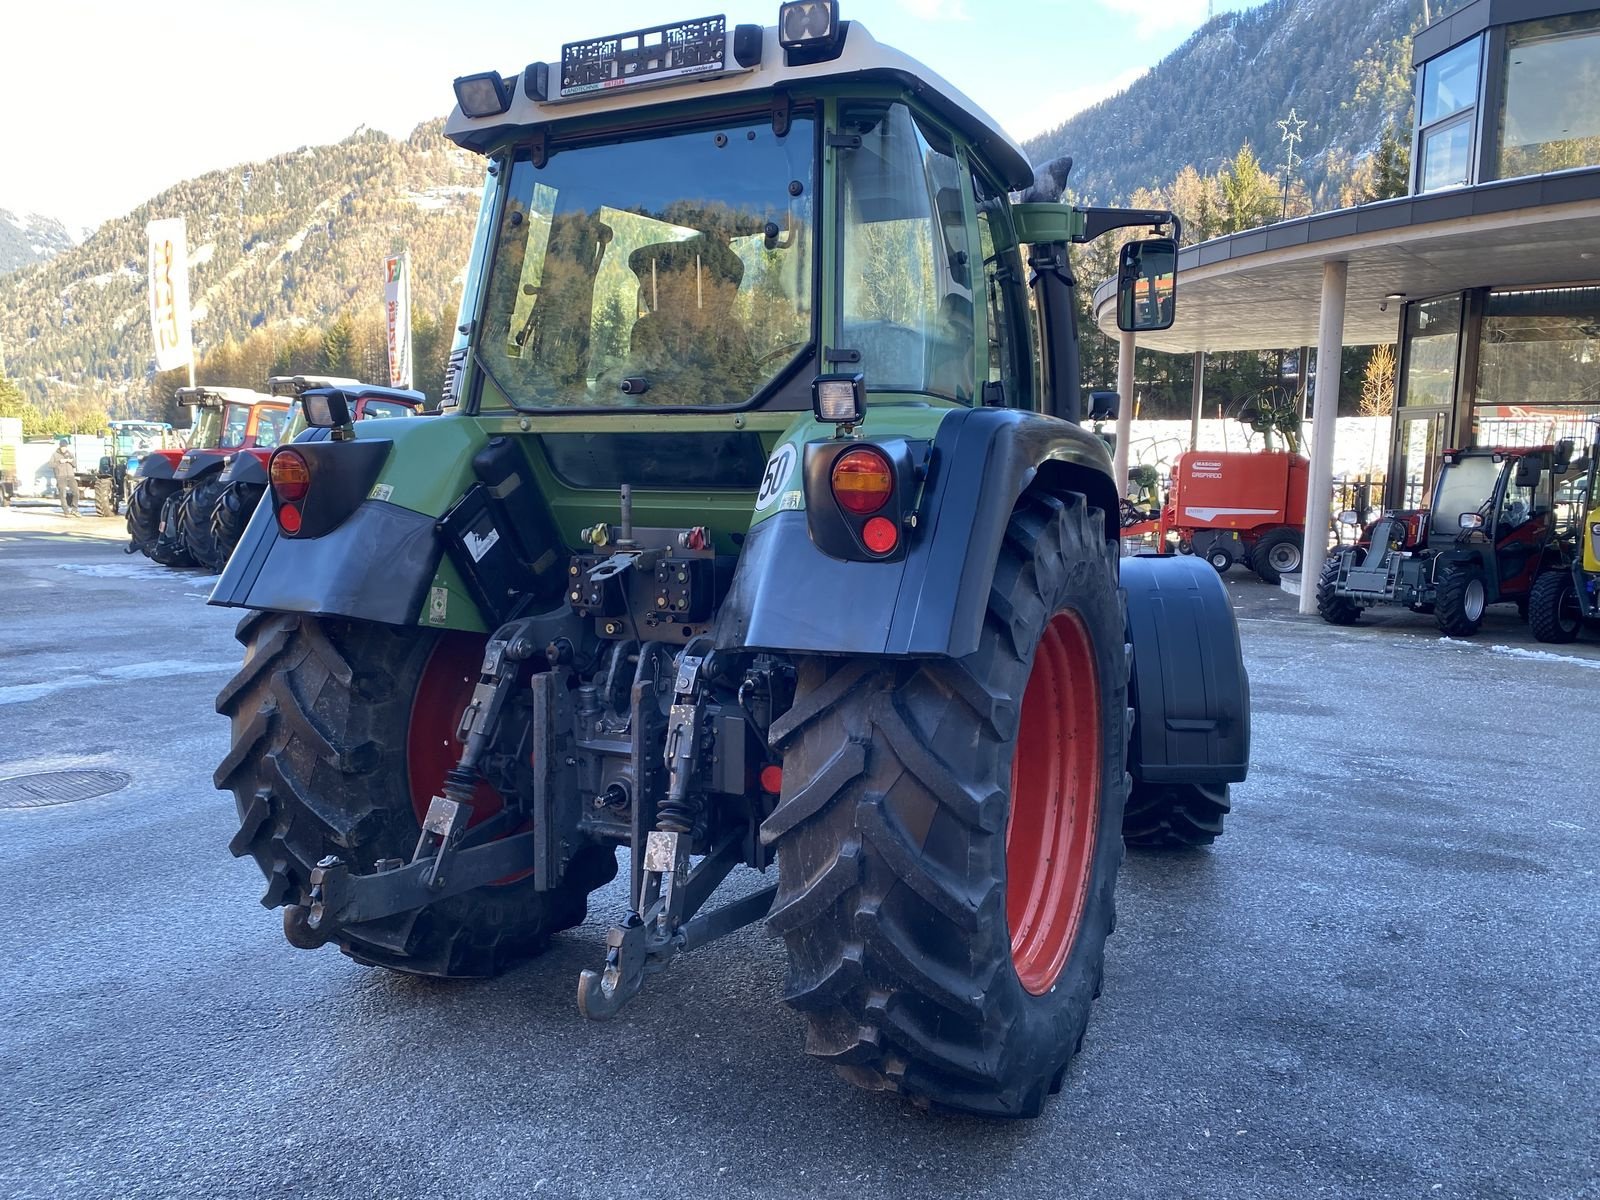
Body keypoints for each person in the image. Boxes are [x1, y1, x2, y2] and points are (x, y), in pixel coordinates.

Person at [50, 443, 80, 518]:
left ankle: (74, 510)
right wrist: (59, 461)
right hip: (61, 476)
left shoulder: (70, 454)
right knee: (63, 494)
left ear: (66, 447)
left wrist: (70, 461)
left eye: (65, 447)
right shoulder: (55, 454)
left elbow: (75, 465)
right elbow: (50, 465)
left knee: (76, 493)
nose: (63, 448)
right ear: (59, 447)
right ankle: (66, 511)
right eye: (62, 447)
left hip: (70, 475)